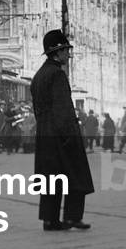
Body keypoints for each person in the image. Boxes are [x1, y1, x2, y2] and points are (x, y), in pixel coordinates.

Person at [31, 29, 94, 231]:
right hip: (62, 134)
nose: (68, 54)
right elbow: (63, 108)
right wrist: (70, 136)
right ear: (57, 52)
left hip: (44, 134)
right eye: (66, 50)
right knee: (76, 175)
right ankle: (72, 217)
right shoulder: (57, 74)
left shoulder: (39, 75)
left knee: (51, 179)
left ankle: (50, 219)